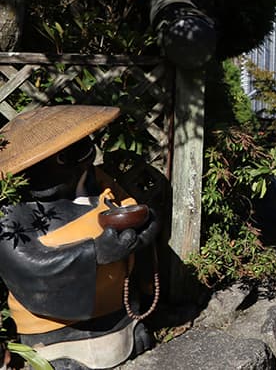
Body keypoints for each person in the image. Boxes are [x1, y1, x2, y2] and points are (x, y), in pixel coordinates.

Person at [0, 105, 159, 369]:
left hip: (117, 311)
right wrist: (95, 252)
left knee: (131, 334)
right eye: (69, 156)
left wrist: (141, 231)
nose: (82, 163)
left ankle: (127, 332)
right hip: (56, 326)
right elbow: (24, 263)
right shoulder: (13, 210)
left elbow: (134, 206)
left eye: (82, 150)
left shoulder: (95, 179)